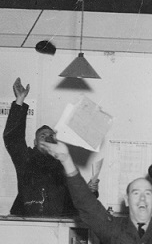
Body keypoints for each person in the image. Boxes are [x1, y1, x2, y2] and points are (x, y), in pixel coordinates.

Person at [3, 77, 97, 216]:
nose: (47, 138)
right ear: (35, 143)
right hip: (27, 223)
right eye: (42, 136)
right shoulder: (26, 159)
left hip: (59, 225)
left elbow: (78, 198)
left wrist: (90, 190)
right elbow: (13, 138)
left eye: (51, 136)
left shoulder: (65, 162)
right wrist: (19, 100)